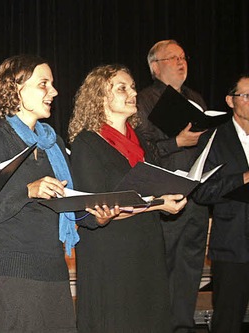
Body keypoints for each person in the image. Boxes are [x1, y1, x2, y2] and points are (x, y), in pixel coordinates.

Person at [68, 64, 188, 332]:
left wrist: (174, 192)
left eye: (132, 87)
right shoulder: (87, 143)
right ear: (99, 97)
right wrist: (158, 203)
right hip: (111, 253)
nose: (132, 92)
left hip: (147, 246)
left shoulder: (141, 142)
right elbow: (99, 205)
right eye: (121, 88)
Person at [0, 54, 85, 332]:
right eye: (43, 84)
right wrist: (28, 191)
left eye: (52, 84)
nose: (54, 92)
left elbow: (66, 201)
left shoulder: (53, 142)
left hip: (53, 265)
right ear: (16, 90)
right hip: (14, 270)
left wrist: (98, 212)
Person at [136, 40, 210, 332]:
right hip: (164, 196)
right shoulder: (144, 100)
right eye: (172, 58)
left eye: (183, 57)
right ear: (155, 66)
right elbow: (142, 149)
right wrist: (176, 142)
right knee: (161, 266)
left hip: (197, 196)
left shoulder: (196, 98)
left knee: (190, 268)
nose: (181, 62)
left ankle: (183, 326)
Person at [192, 74, 249, 333]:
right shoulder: (214, 139)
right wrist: (243, 179)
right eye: (246, 96)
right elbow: (202, 192)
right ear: (230, 100)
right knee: (228, 320)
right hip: (234, 246)